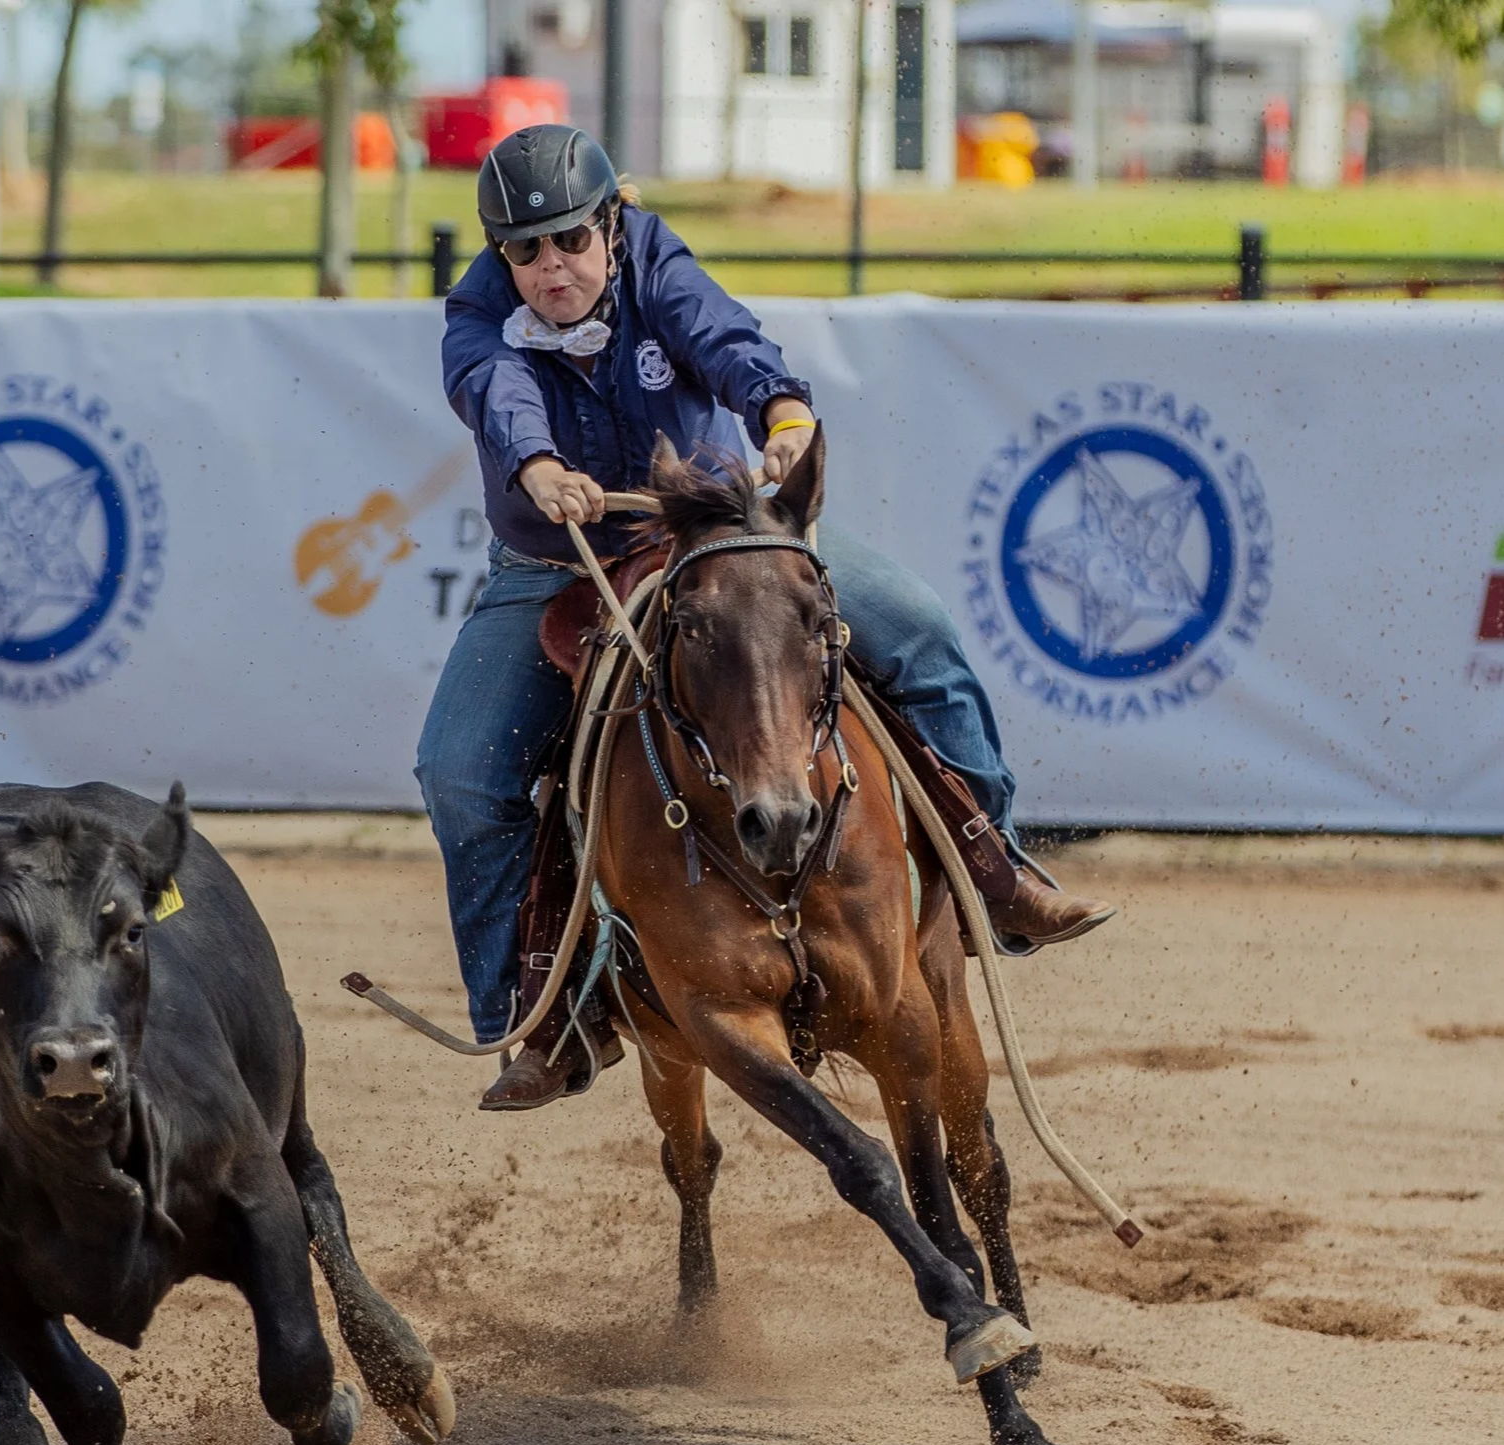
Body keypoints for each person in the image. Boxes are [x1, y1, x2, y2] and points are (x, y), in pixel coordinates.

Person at [417, 124, 1114, 1113]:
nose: (551, 266)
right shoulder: (479, 315)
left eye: (570, 239)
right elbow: (492, 390)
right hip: (554, 559)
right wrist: (535, 467)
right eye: (526, 251)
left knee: (916, 631)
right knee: (457, 769)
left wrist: (783, 413)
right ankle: (539, 1016)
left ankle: (995, 871)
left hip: (722, 536)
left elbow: (723, 336)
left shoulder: (654, 258)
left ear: (609, 225)